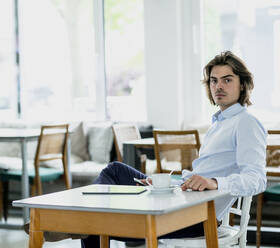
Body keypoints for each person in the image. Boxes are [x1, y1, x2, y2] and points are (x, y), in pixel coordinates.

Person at [24, 51, 267, 247]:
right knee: (116, 170)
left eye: (227, 80)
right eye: (214, 80)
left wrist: (215, 182)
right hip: (182, 198)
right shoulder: (220, 123)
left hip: (198, 216)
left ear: (243, 85)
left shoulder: (246, 123)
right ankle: (82, 221)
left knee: (96, 226)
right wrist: (173, 182)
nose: (219, 86)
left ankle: (79, 223)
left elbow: (257, 180)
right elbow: (204, 174)